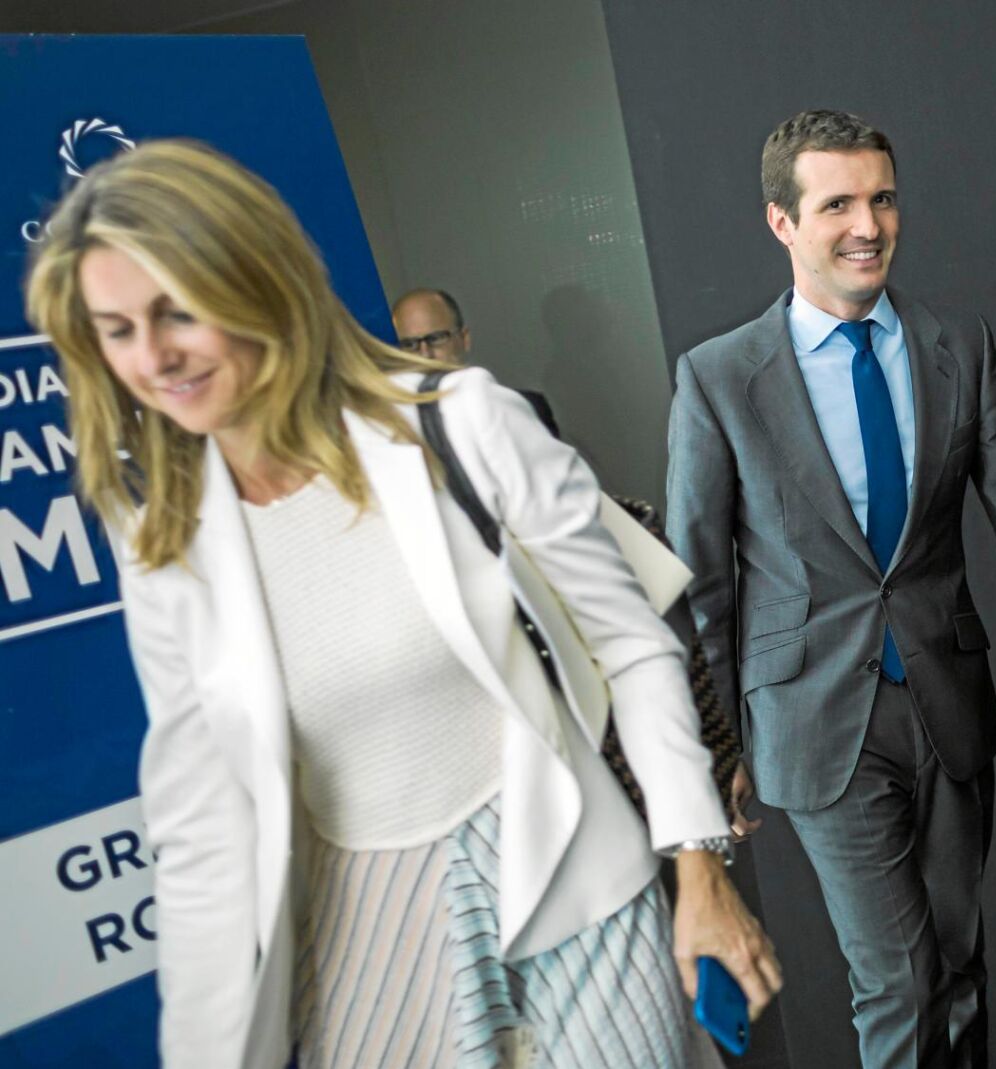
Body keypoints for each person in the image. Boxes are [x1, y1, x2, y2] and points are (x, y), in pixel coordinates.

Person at [25, 140, 781, 1068]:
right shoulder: (165, 538)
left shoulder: (459, 420)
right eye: (116, 330)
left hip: (571, 874)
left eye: (177, 310)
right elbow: (196, 818)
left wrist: (699, 868)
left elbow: (631, 643)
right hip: (365, 935)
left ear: (255, 281)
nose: (153, 357)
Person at [664, 109, 996, 1069]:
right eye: (837, 205)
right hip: (816, 721)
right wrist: (716, 742)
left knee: (958, 964)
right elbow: (700, 582)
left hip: (949, 701)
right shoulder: (720, 377)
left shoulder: (958, 345)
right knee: (900, 981)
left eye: (883, 198)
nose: (867, 225)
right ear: (782, 222)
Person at [393, 286, 560, 436]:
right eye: (410, 344)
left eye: (436, 338)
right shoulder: (395, 431)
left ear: (464, 339)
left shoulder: (523, 410)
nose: (425, 354)